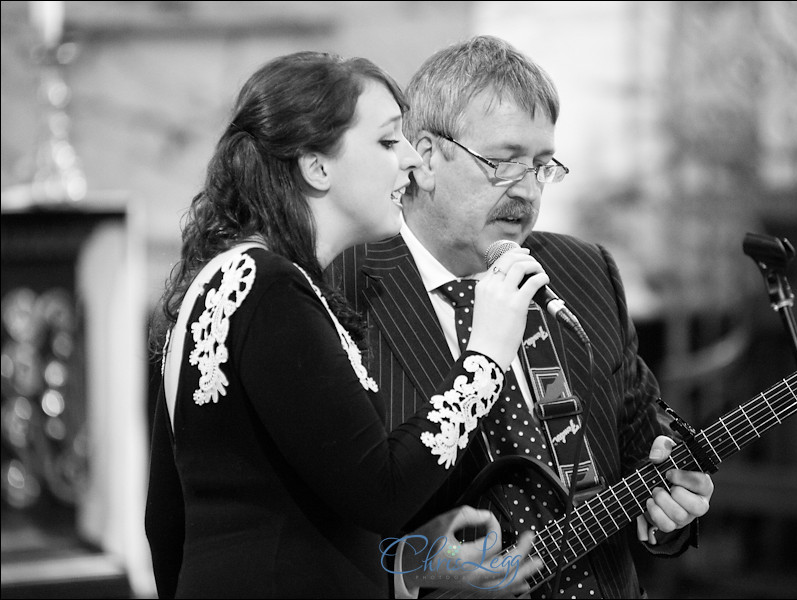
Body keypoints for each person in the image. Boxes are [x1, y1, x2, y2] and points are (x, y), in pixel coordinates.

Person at [144, 51, 547, 598]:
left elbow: (170, 525)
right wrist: (484, 360)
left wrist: (408, 562)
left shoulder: (232, 280)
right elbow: (381, 490)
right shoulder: (270, 288)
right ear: (317, 166)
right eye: (387, 141)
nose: (409, 159)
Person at [328, 35, 715, 599]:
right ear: (428, 159)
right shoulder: (346, 287)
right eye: (504, 161)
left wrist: (671, 506)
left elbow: (643, 445)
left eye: (541, 166)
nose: (528, 191)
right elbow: (322, 522)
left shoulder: (582, 270)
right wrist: (411, 571)